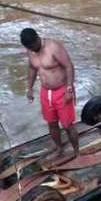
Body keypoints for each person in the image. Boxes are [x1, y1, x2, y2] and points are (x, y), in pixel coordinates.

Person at [20, 28, 79, 158]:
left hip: (62, 90)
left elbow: (69, 66)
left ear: (37, 39)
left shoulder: (53, 47)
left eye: (32, 46)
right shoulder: (31, 50)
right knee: (51, 123)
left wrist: (70, 88)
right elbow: (32, 68)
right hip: (46, 92)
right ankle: (59, 148)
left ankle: (77, 152)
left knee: (67, 125)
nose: (31, 49)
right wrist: (29, 88)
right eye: (28, 47)